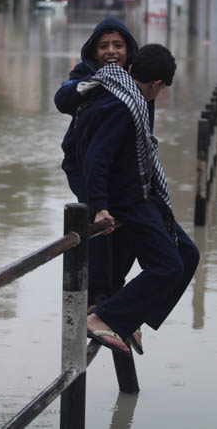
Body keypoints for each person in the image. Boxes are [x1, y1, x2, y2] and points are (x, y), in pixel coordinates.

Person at [74, 43, 200, 355]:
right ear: (158, 85)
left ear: (132, 68)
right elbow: (96, 160)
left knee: (187, 256)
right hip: (128, 203)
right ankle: (103, 318)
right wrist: (100, 208)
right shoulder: (122, 106)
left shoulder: (125, 93)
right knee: (168, 266)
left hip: (145, 196)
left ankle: (128, 315)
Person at [54, 17, 149, 315]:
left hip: (121, 165)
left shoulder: (137, 78)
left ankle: (113, 295)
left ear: (128, 49)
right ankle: (96, 298)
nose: (111, 51)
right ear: (93, 51)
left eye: (118, 45)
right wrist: (94, 84)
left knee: (128, 226)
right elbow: (62, 98)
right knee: (99, 224)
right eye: (104, 45)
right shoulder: (85, 74)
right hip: (85, 165)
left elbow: (145, 124)